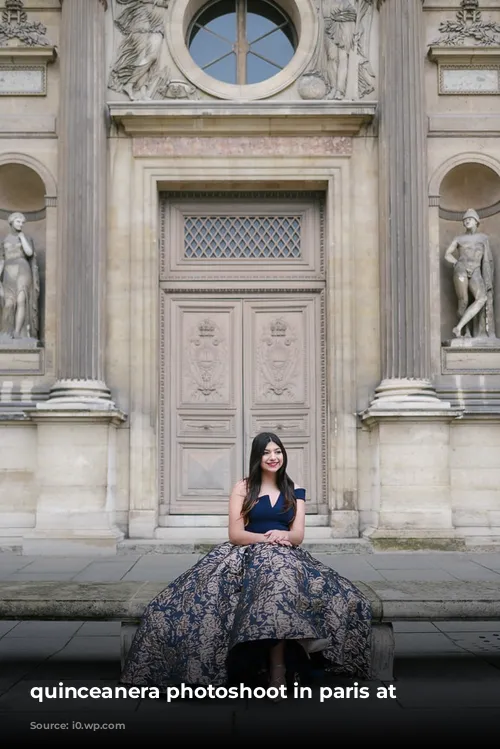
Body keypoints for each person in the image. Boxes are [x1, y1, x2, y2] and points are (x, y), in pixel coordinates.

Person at [120, 432, 372, 696]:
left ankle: (282, 665)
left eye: (277, 451)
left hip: (287, 554)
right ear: (257, 457)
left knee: (326, 593)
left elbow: (297, 536)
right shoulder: (243, 488)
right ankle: (279, 669)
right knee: (180, 607)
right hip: (248, 551)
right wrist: (267, 538)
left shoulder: (295, 490)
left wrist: (283, 536)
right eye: (266, 453)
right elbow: (236, 534)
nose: (273, 457)